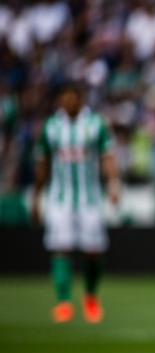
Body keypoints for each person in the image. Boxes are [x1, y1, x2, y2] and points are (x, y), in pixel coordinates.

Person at [30, 83, 120, 323]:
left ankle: (90, 296)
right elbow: (42, 163)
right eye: (65, 98)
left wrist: (114, 184)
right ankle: (64, 302)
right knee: (61, 248)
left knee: (93, 250)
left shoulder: (96, 124)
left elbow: (108, 156)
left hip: (89, 197)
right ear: (60, 99)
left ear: (81, 99)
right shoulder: (51, 127)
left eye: (73, 98)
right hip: (60, 197)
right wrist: (36, 196)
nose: (69, 102)